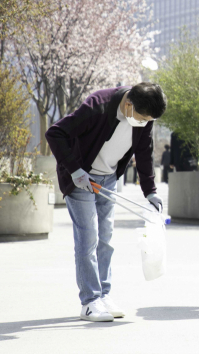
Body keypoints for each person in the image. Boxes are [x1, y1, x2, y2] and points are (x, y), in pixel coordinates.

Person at [45, 82, 167, 322]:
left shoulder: (144, 115)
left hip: (108, 178)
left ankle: (104, 295)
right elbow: (55, 133)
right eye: (142, 118)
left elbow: (144, 151)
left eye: (149, 120)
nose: (145, 123)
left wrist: (150, 191)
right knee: (88, 237)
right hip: (82, 177)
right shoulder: (98, 105)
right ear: (128, 104)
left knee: (106, 238)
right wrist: (75, 170)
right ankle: (90, 301)